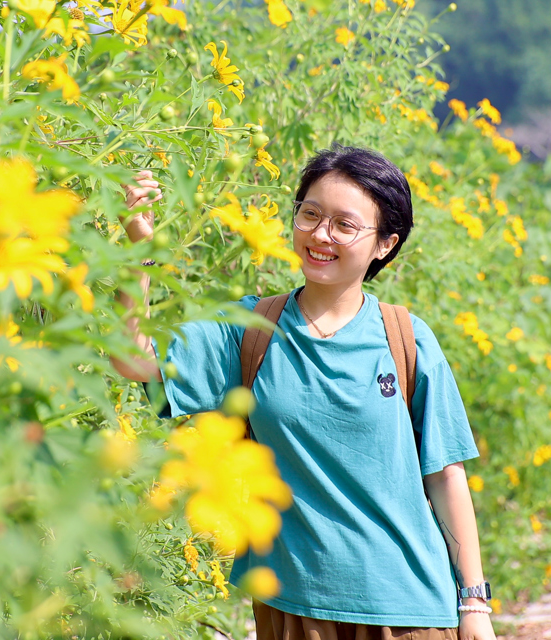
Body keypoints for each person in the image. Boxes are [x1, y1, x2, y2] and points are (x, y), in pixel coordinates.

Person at [112, 145, 497, 640]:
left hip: (407, 610)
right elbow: (134, 360)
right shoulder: (250, 329)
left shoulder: (406, 338)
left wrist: (475, 606)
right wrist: (135, 248)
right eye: (310, 214)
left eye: (344, 224)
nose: (320, 235)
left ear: (385, 244)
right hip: (295, 607)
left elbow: (445, 477)